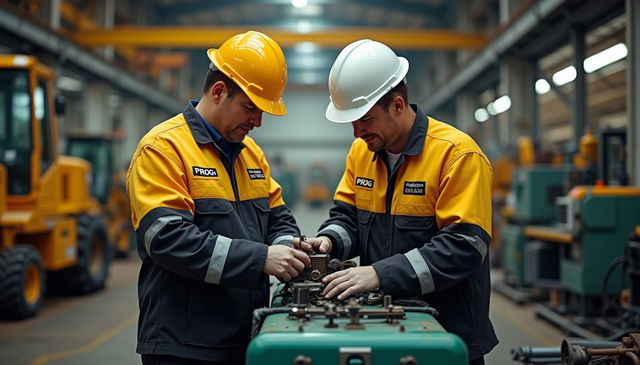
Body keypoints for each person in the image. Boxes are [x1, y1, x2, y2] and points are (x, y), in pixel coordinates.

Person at [295, 39, 498, 364]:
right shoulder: (363, 151)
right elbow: (348, 216)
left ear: (398, 106)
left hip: (447, 335)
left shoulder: (457, 155)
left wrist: (380, 274)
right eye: (351, 121)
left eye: (365, 119)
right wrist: (328, 242)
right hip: (382, 325)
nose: (356, 132)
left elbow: (465, 246)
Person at [126, 31, 310, 365]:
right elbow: (166, 239)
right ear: (219, 91)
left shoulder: (251, 153)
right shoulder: (163, 148)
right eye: (250, 108)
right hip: (185, 345)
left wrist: (288, 248)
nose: (257, 121)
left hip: (246, 336)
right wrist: (261, 258)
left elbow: (278, 218)